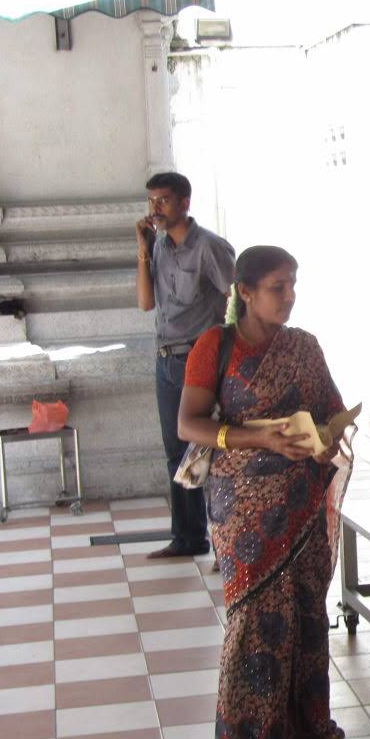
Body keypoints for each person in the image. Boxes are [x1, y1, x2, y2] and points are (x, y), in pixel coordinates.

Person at [177, 246, 352, 739]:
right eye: (278, 287)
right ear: (245, 292)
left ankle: (305, 716)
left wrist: (324, 443)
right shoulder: (216, 346)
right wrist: (258, 438)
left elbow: (331, 413)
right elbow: (189, 423)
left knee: (305, 605)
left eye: (293, 285)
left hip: (300, 493)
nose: (290, 297)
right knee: (254, 613)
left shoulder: (304, 346)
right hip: (244, 501)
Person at [136, 172, 235, 560]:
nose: (155, 209)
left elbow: (238, 296)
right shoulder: (158, 247)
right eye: (151, 202)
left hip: (200, 358)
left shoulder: (208, 247)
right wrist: (142, 250)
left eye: (162, 201)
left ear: (184, 203)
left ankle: (227, 535)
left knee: (210, 448)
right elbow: (146, 303)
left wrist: (228, 352)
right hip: (166, 358)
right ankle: (188, 537)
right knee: (175, 451)